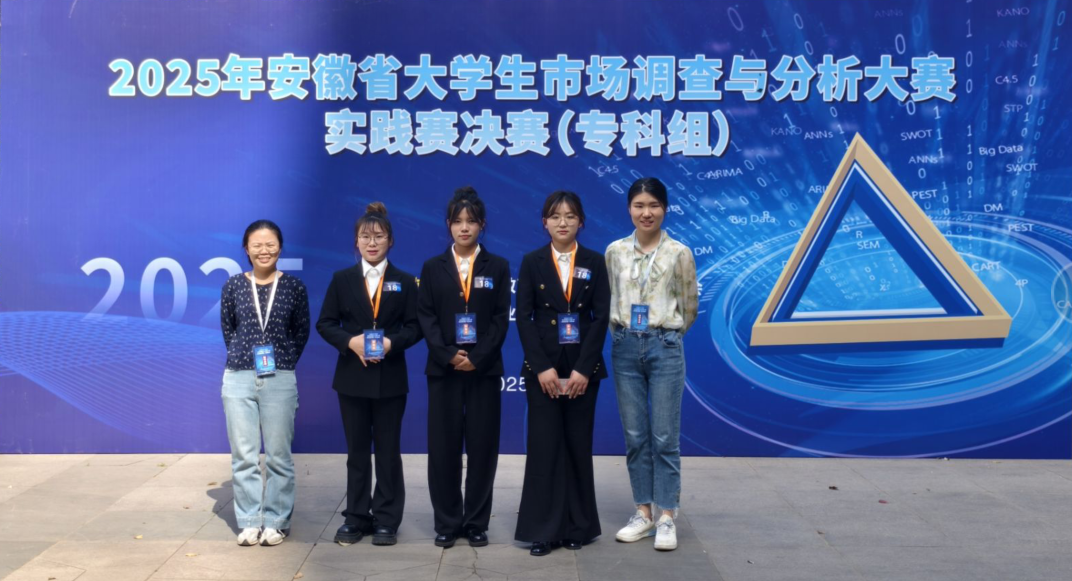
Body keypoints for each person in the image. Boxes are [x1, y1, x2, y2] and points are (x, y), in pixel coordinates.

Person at [316, 202, 422, 547]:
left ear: (391, 240)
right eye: (365, 237)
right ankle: (356, 516)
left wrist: (392, 343)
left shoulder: (405, 281)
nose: (372, 243)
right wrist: (351, 342)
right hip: (352, 378)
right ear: (356, 242)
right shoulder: (342, 280)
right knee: (357, 452)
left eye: (378, 237)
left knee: (388, 452)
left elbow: (416, 327)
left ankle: (387, 518)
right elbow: (325, 323)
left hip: (391, 378)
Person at [514, 191, 610, 556]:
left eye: (570, 216)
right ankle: (543, 530)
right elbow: (524, 318)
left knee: (577, 447)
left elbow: (600, 317)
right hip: (544, 371)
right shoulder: (532, 261)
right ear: (545, 223)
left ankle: (578, 527)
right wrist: (541, 367)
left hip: (583, 369)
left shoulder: (594, 261)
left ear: (581, 221)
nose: (563, 222)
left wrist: (585, 368)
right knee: (544, 448)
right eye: (555, 216)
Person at [605, 178, 698, 551]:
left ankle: (667, 516)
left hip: (665, 345)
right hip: (625, 346)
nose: (647, 213)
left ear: (665, 209)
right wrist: (624, 333)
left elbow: (689, 306)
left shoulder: (679, 253)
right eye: (639, 205)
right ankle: (643, 513)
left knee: (664, 437)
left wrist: (667, 334)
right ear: (629, 208)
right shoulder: (614, 252)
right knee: (635, 436)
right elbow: (611, 297)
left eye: (654, 205)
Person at [417, 186, 511, 548]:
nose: (464, 228)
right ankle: (446, 522)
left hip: (484, 371)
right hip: (444, 371)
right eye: (458, 221)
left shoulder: (497, 266)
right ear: (448, 225)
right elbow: (426, 317)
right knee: (443, 448)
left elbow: (501, 319)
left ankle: (475, 523)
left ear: (482, 225)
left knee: (483, 448)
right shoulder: (433, 267)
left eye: (471, 221)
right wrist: (447, 354)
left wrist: (478, 357)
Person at [220, 219, 310, 547]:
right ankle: (248, 521)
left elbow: (301, 331)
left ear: (280, 247)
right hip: (238, 376)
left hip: (279, 377)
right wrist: (243, 357)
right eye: (256, 245)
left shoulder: (294, 287)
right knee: (244, 455)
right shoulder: (232, 286)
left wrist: (283, 362)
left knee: (278, 455)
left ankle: (276, 520)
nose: (264, 250)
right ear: (246, 249)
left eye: (270, 244)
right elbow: (229, 329)